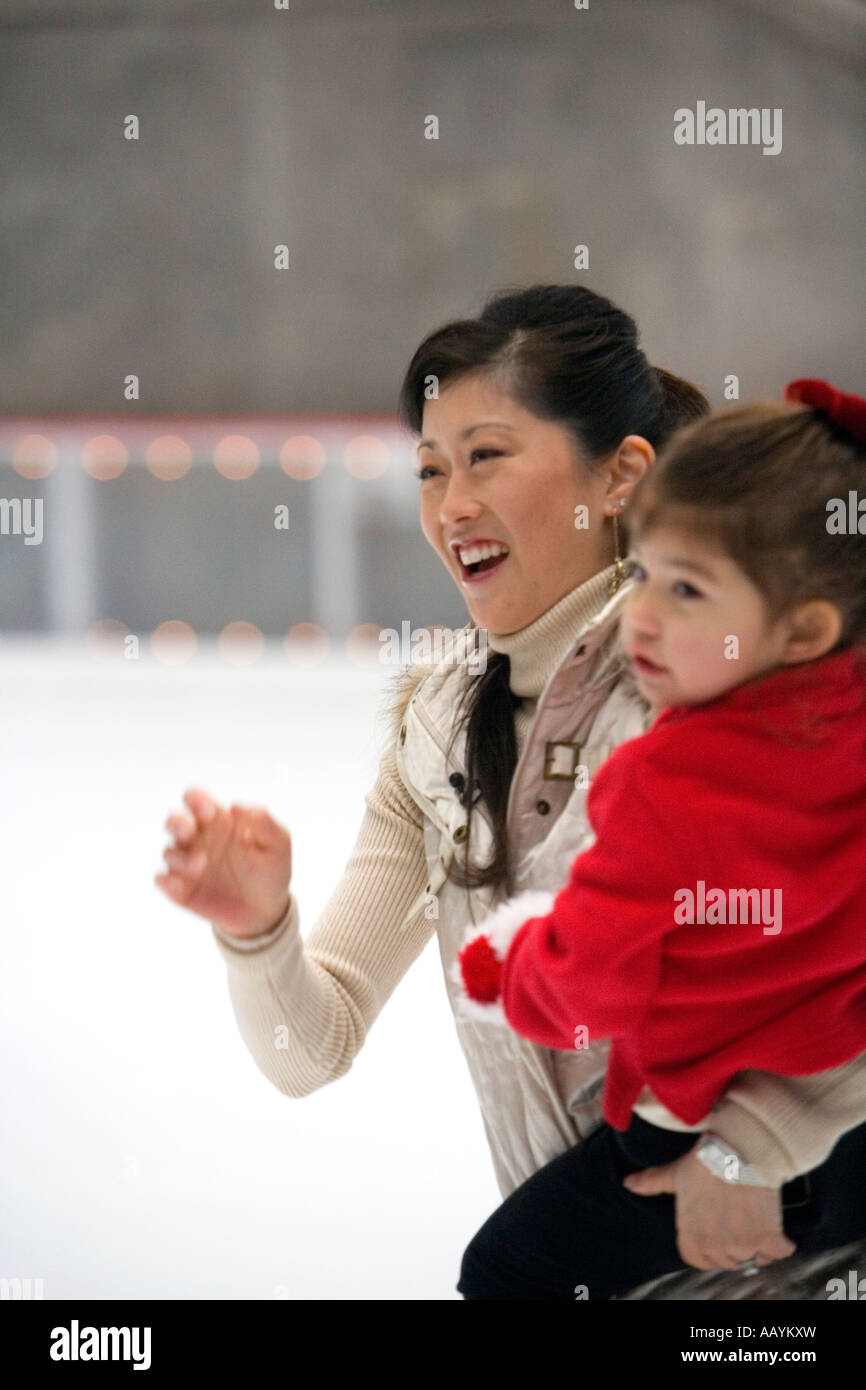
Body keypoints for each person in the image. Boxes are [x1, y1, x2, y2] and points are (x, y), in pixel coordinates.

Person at [153, 286, 866, 1294]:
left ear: (619, 475)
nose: (449, 506)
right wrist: (256, 929)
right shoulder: (437, 732)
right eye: (431, 469)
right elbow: (307, 1050)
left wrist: (746, 1149)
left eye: (486, 456)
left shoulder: (722, 685)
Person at [456, 378, 866, 1298]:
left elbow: (590, 980)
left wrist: (509, 968)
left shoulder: (666, 785)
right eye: (640, 572)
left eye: (687, 590)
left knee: (506, 1274)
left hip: (686, 1129)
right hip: (842, 1129)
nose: (641, 615)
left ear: (804, 627)